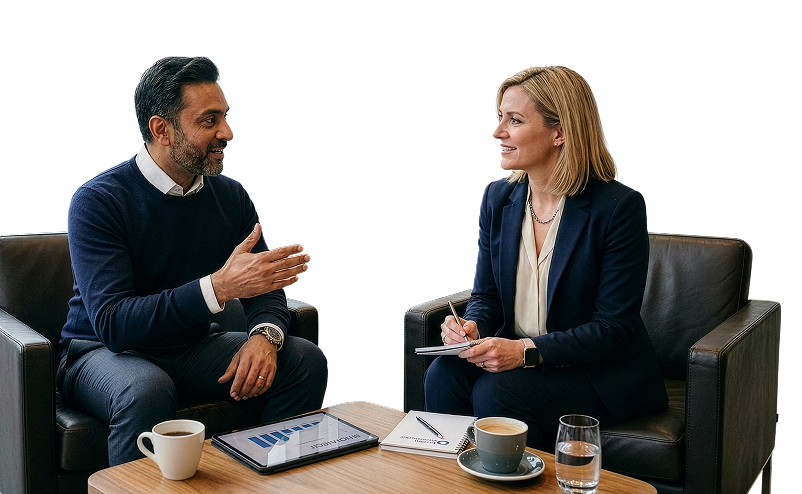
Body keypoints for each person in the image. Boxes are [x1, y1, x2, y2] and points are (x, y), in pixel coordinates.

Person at [57, 56, 328, 466]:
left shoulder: (230, 195)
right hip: (100, 352)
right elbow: (114, 324)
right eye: (209, 120)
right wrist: (218, 288)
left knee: (304, 359)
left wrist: (264, 336)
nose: (228, 133)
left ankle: (268, 479)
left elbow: (266, 286)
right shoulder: (98, 201)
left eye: (226, 117)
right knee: (147, 388)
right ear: (161, 130)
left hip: (191, 346)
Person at [423, 65, 668, 449]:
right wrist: (470, 327)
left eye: (514, 120)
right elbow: (486, 296)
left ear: (560, 132)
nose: (497, 132)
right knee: (443, 374)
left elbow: (613, 329)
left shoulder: (619, 207)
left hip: (594, 370)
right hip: (520, 361)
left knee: (497, 392)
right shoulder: (497, 198)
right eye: (499, 118)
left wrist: (524, 352)